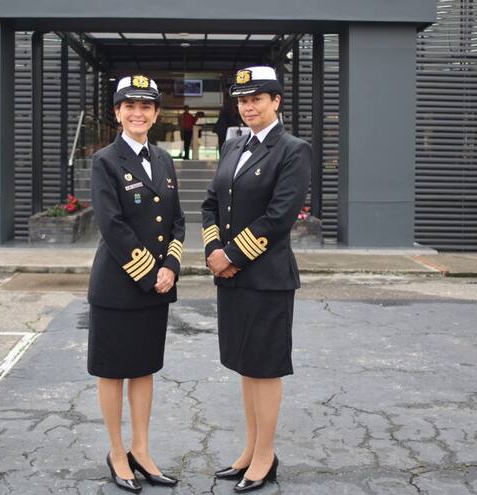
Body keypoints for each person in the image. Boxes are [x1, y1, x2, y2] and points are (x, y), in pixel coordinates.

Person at [201, 66, 311, 493]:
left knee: (264, 370)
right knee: (245, 367)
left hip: (266, 279)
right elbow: (211, 203)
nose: (247, 106)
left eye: (256, 99)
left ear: (276, 101)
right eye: (242, 100)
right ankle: (250, 450)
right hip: (231, 278)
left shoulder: (292, 150)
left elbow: (279, 217)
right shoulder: (233, 147)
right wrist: (213, 249)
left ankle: (266, 456)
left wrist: (231, 255)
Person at [88, 74, 185, 493]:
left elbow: (178, 219)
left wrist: (172, 266)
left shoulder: (163, 159)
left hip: (156, 285)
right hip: (118, 284)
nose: (138, 113)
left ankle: (141, 451)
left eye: (146, 106)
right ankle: (116, 453)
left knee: (144, 369)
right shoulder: (105, 161)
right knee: (113, 372)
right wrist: (150, 272)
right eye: (129, 106)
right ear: (117, 113)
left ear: (157, 114)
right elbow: (111, 224)